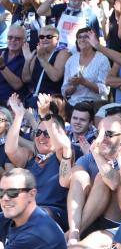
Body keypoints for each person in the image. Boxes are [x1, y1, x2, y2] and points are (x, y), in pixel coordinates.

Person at [65, 113, 121, 249]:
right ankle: (73, 234)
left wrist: (96, 153)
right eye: (99, 133)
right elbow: (68, 180)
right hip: (88, 219)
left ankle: (71, 234)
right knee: (79, 176)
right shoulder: (88, 159)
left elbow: (113, 182)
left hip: (114, 222)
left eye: (108, 134)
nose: (102, 139)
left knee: (103, 178)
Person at [0, 168, 68, 249]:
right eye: (1, 193)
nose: (5, 198)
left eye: (13, 192)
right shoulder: (12, 217)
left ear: (31, 194)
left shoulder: (40, 231)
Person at [5, 94, 72, 229]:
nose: (41, 137)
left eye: (47, 133)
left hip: (53, 214)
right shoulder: (30, 157)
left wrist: (46, 115)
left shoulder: (62, 155)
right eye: (38, 133)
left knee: (35, 214)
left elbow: (62, 145)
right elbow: (10, 150)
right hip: (25, 211)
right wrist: (19, 115)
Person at [37, 0, 102, 53]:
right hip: (58, 52)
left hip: (79, 55)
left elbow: (95, 41)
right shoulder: (60, 8)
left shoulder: (90, 15)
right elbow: (40, 12)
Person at [62, 27, 110, 107]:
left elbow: (105, 90)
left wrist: (84, 82)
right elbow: (65, 91)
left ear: (94, 40)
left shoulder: (102, 60)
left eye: (86, 37)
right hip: (73, 104)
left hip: (95, 105)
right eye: (79, 37)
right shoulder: (71, 60)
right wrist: (74, 86)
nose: (82, 39)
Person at [21, 24, 68, 104]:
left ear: (57, 39)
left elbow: (55, 77)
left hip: (51, 102)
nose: (45, 39)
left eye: (49, 37)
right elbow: (26, 79)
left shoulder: (63, 53)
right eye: (41, 37)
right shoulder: (37, 54)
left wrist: (42, 59)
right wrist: (27, 60)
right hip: (34, 99)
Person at [0, 24, 27, 105]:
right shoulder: (1, 52)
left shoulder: (26, 58)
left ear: (24, 41)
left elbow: (17, 85)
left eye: (17, 38)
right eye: (10, 37)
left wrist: (2, 66)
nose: (13, 40)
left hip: (9, 103)